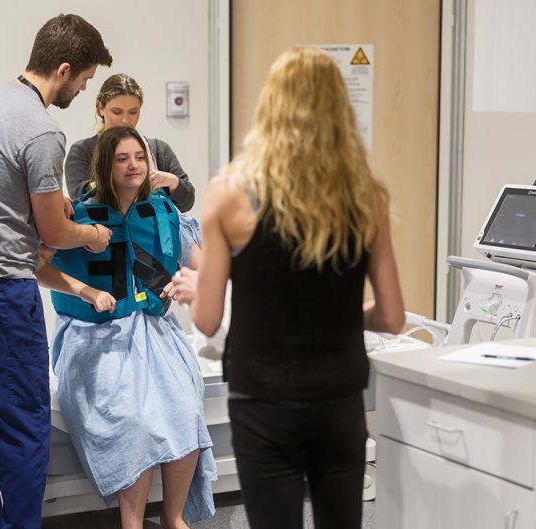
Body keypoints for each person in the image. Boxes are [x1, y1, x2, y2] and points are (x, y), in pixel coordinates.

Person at [169, 47, 405, 529]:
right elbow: (393, 317)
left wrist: (206, 291)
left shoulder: (229, 192)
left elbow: (209, 321)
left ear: (270, 108)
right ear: (340, 109)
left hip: (263, 401)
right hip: (338, 398)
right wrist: (341, 318)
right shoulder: (365, 195)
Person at [0, 14, 113, 529]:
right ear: (62, 69)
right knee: (23, 427)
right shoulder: (42, 130)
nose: (83, 88)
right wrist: (91, 236)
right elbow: (55, 235)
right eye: (84, 79)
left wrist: (48, 220)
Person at [39, 126, 217, 529]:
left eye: (139, 156)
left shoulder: (164, 213)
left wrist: (186, 282)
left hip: (154, 331)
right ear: (105, 164)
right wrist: (86, 292)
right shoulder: (77, 218)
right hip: (94, 336)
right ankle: (131, 522)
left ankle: (173, 518)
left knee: (185, 409)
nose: (134, 165)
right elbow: (37, 266)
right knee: (131, 421)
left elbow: (206, 268)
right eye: (122, 158)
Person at [64, 73, 196, 212]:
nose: (125, 120)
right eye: (117, 112)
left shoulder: (159, 150)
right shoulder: (82, 151)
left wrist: (173, 182)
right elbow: (80, 198)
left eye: (133, 112)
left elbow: (187, 201)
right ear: (100, 108)